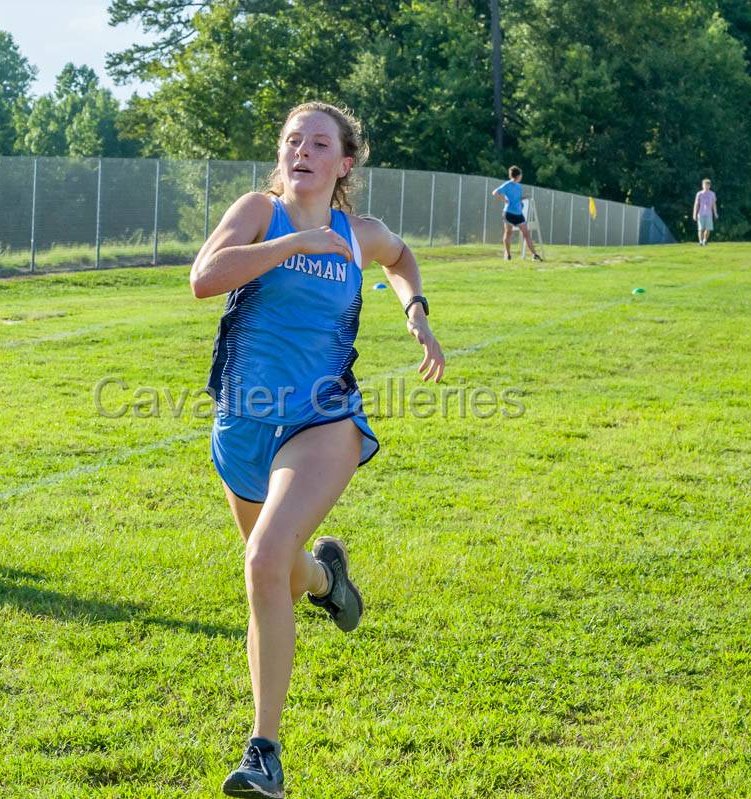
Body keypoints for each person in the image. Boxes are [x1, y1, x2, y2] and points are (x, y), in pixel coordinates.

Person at [190, 101, 445, 799]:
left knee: (264, 559)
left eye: (318, 142)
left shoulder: (359, 233)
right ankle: (329, 581)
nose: (301, 151)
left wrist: (415, 313)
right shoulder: (258, 211)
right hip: (242, 427)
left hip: (324, 417)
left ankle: (263, 751)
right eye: (291, 141)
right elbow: (204, 276)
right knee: (283, 570)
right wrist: (287, 247)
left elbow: (401, 259)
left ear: (345, 161)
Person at [492, 166, 541, 261]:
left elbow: (517, 199)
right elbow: (495, 192)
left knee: (526, 233)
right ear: (518, 175)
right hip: (509, 213)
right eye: (521, 174)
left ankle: (534, 255)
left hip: (518, 214)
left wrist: (524, 197)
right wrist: (504, 200)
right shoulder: (507, 184)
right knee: (508, 233)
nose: (521, 176)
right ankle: (508, 255)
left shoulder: (519, 186)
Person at [693, 178, 718, 246]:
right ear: (702, 185)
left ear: (709, 186)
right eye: (705, 185)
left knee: (708, 229)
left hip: (709, 214)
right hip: (701, 213)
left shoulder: (712, 194)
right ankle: (700, 241)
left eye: (707, 185)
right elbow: (696, 204)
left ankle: (705, 240)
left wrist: (715, 213)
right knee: (700, 229)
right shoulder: (699, 194)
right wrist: (694, 214)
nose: (706, 186)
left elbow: (714, 204)